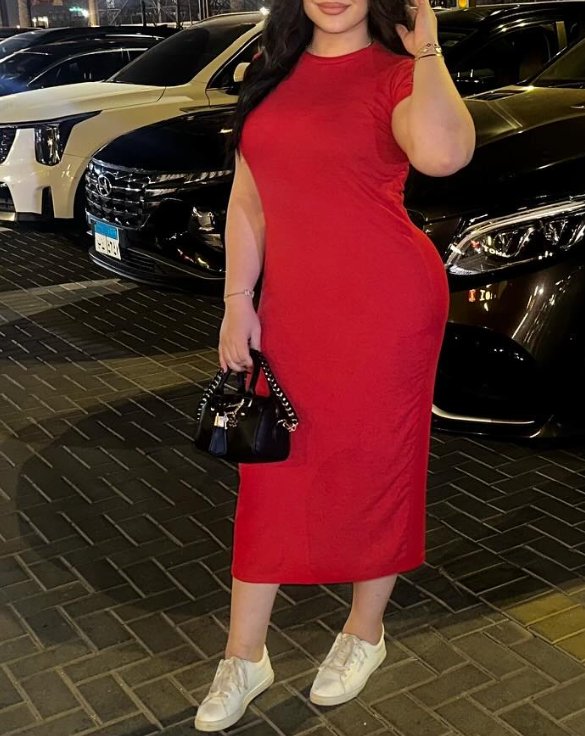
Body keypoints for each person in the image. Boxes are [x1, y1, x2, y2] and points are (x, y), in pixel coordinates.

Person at [195, 0, 475, 731]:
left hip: (387, 305)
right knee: (270, 471)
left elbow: (443, 155)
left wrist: (428, 51)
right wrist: (236, 299)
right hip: (293, 308)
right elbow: (249, 197)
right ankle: (243, 655)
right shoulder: (272, 71)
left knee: (377, 461)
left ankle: (364, 633)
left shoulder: (397, 73)